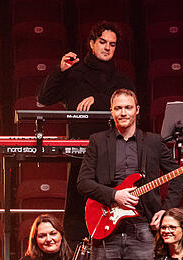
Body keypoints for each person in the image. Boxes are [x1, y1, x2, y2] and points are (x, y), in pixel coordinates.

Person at [38, 22, 135, 246]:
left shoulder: (121, 80)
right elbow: (43, 98)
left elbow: (134, 107)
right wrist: (60, 71)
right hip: (81, 153)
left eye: (112, 44)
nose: (107, 48)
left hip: (113, 156)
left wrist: (100, 101)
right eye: (102, 43)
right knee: (77, 214)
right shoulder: (74, 74)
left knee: (112, 214)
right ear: (92, 44)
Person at [77, 89, 183, 260]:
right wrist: (114, 195)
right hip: (106, 224)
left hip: (142, 225)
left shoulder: (153, 141)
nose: (123, 112)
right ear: (111, 111)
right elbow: (83, 183)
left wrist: (166, 210)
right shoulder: (98, 141)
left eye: (128, 107)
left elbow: (176, 175)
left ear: (137, 110)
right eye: (118, 108)